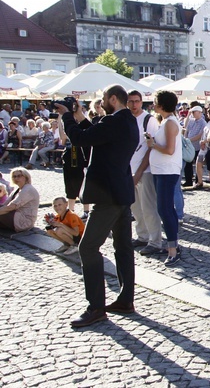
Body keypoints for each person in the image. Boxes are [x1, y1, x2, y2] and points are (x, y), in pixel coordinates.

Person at [58, 85, 139, 327]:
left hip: (108, 197)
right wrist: (80, 117)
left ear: (113, 99)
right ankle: (125, 300)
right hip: (120, 192)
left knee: (88, 248)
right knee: (123, 248)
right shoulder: (126, 120)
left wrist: (66, 117)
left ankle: (96, 307)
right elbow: (96, 136)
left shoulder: (114, 122)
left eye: (104, 98)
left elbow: (82, 140)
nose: (102, 102)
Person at [145, 90, 183, 265]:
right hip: (161, 170)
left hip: (167, 171)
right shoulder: (166, 121)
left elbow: (169, 149)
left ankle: (172, 250)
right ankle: (173, 244)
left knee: (164, 209)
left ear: (160, 105)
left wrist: (153, 144)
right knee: (168, 210)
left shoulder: (170, 123)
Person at [127, 90, 163, 256]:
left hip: (145, 170)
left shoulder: (149, 120)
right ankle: (142, 235)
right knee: (135, 207)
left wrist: (140, 171)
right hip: (129, 169)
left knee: (148, 207)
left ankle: (155, 241)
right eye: (130, 101)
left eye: (136, 101)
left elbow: (151, 148)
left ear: (141, 102)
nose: (133, 105)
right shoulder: (126, 119)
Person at [0, 167, 40, 233]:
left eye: (19, 176)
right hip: (15, 214)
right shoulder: (17, 189)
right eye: (14, 176)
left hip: (23, 220)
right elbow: (5, 204)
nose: (16, 178)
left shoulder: (28, 189)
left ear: (26, 177)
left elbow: (12, 206)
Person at [182, 106, 206, 188]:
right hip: (189, 145)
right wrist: (185, 138)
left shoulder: (203, 123)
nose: (192, 113)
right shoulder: (191, 121)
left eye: (194, 112)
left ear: (199, 112)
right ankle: (188, 180)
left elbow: (200, 135)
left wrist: (189, 139)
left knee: (197, 164)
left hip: (197, 146)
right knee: (188, 163)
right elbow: (186, 130)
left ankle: (197, 180)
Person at [196, 107, 210, 189]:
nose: (209, 114)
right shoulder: (208, 123)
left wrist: (204, 141)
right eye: (208, 112)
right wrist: (202, 142)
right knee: (199, 162)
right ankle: (200, 181)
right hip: (204, 147)